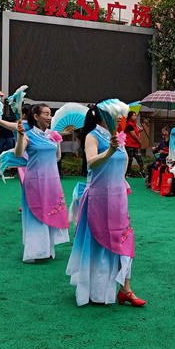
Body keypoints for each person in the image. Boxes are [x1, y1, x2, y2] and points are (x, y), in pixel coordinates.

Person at [66, 102, 145, 306]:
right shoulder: (92, 136)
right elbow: (92, 162)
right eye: (117, 113)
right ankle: (96, 290)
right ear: (104, 115)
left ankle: (125, 288)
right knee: (99, 242)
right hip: (98, 199)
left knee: (125, 239)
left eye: (121, 114)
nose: (121, 117)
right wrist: (110, 151)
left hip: (117, 198)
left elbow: (124, 163)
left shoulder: (118, 137)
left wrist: (120, 183)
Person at [13, 104, 69, 263]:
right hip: (35, 181)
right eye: (46, 114)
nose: (50, 117)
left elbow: (57, 157)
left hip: (52, 180)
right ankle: (35, 251)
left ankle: (48, 249)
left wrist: (57, 148)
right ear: (36, 116)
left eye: (50, 114)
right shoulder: (27, 135)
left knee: (50, 211)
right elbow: (18, 154)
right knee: (36, 214)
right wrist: (19, 136)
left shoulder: (53, 135)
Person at [123, 111, 146, 179]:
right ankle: (127, 173)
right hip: (130, 145)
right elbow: (133, 135)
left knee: (140, 159)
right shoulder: (129, 124)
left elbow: (134, 133)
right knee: (129, 160)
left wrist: (139, 131)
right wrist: (140, 142)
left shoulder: (134, 124)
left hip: (135, 145)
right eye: (134, 115)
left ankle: (142, 172)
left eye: (135, 115)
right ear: (130, 117)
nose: (135, 117)